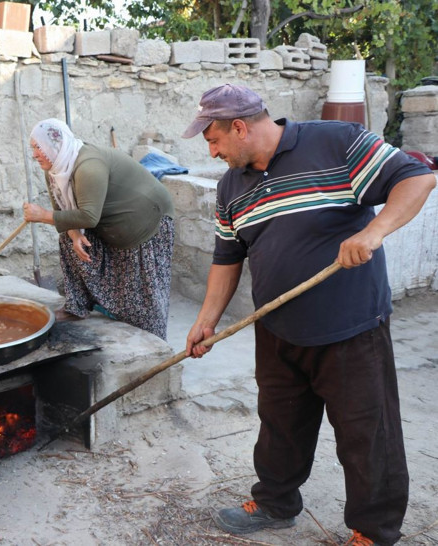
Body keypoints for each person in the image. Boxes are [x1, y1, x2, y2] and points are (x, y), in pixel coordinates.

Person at [182, 84, 436, 545]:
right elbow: (227, 257)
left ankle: (373, 531)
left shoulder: (337, 142)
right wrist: (206, 320)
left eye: (214, 140)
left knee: (366, 433)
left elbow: (417, 178)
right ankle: (276, 503)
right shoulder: (230, 186)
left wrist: (374, 232)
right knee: (279, 423)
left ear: (239, 127)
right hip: (277, 329)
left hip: (351, 328)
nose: (213, 150)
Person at [22, 118, 175, 341]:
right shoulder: (55, 169)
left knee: (141, 298)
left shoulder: (88, 166)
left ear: (55, 146)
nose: (35, 154)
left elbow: (88, 217)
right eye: (33, 148)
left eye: (39, 148)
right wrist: (74, 234)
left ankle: (153, 341)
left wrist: (42, 216)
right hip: (109, 220)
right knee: (68, 238)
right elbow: (62, 209)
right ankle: (78, 306)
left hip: (146, 219)